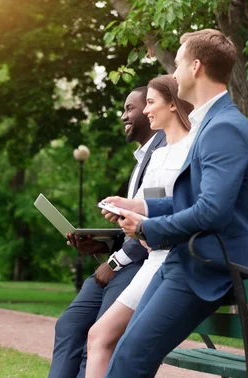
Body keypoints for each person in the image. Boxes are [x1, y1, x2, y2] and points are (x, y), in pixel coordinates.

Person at [103, 29, 248, 377]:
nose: (173, 74)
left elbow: (212, 212)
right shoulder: (208, 122)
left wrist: (146, 228)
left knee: (131, 357)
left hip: (208, 269)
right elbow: (188, 201)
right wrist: (138, 208)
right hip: (186, 260)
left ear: (196, 66)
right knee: (126, 354)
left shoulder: (225, 128)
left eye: (177, 64)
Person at [48, 87, 166, 378]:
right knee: (69, 325)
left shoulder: (164, 153)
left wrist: (113, 263)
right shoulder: (142, 159)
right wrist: (101, 246)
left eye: (132, 107)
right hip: (121, 258)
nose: (124, 115)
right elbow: (133, 224)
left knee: (99, 339)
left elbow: (158, 221)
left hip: (137, 264)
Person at [85, 74, 193, 378]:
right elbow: (151, 208)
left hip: (175, 264)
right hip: (153, 259)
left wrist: (144, 227)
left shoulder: (193, 148)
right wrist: (126, 214)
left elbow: (189, 211)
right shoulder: (156, 156)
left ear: (172, 104)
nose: (145, 110)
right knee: (99, 336)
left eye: (150, 102)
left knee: (122, 345)